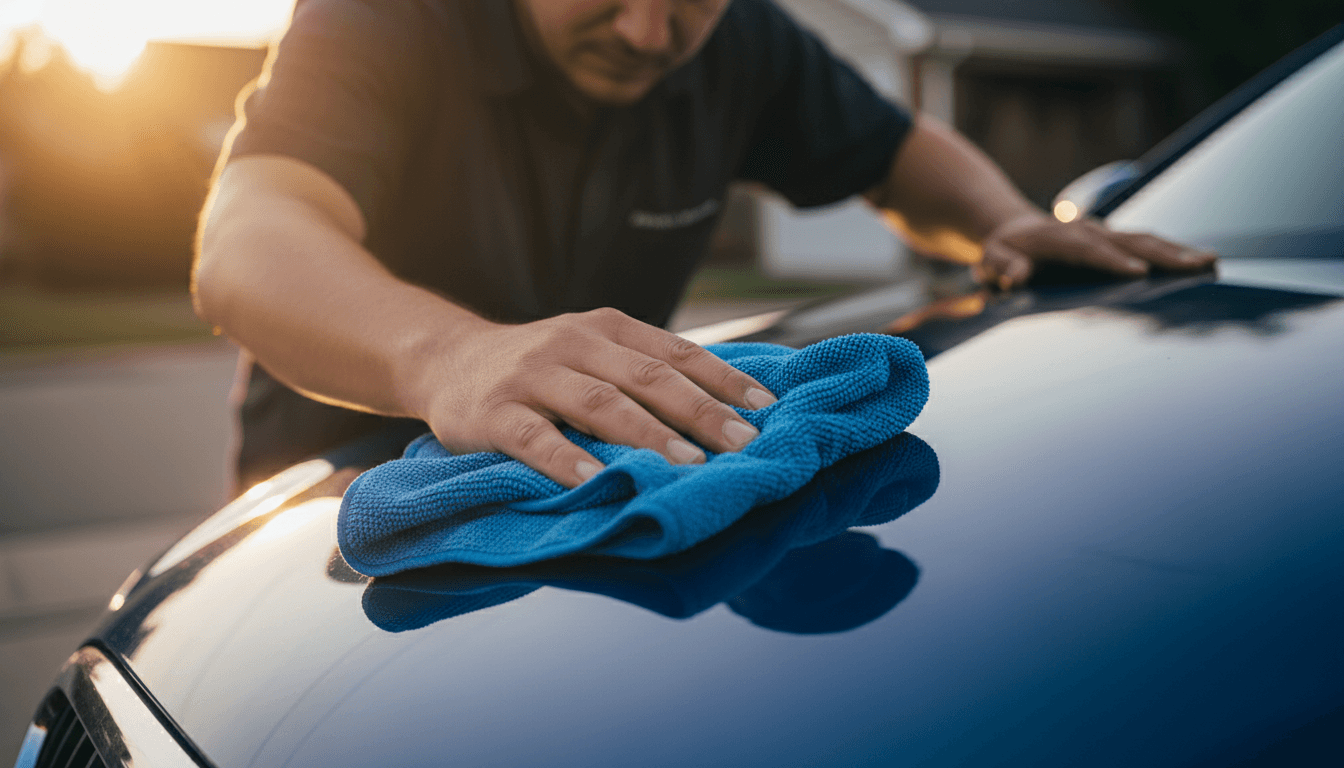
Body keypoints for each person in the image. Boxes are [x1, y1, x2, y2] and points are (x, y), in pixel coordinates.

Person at [194, 0, 1215, 491]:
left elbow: (895, 153)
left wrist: (1001, 221)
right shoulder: (389, 15)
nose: (647, 32)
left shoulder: (747, 45)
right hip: (339, 501)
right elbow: (248, 235)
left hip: (597, 484)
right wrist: (448, 356)